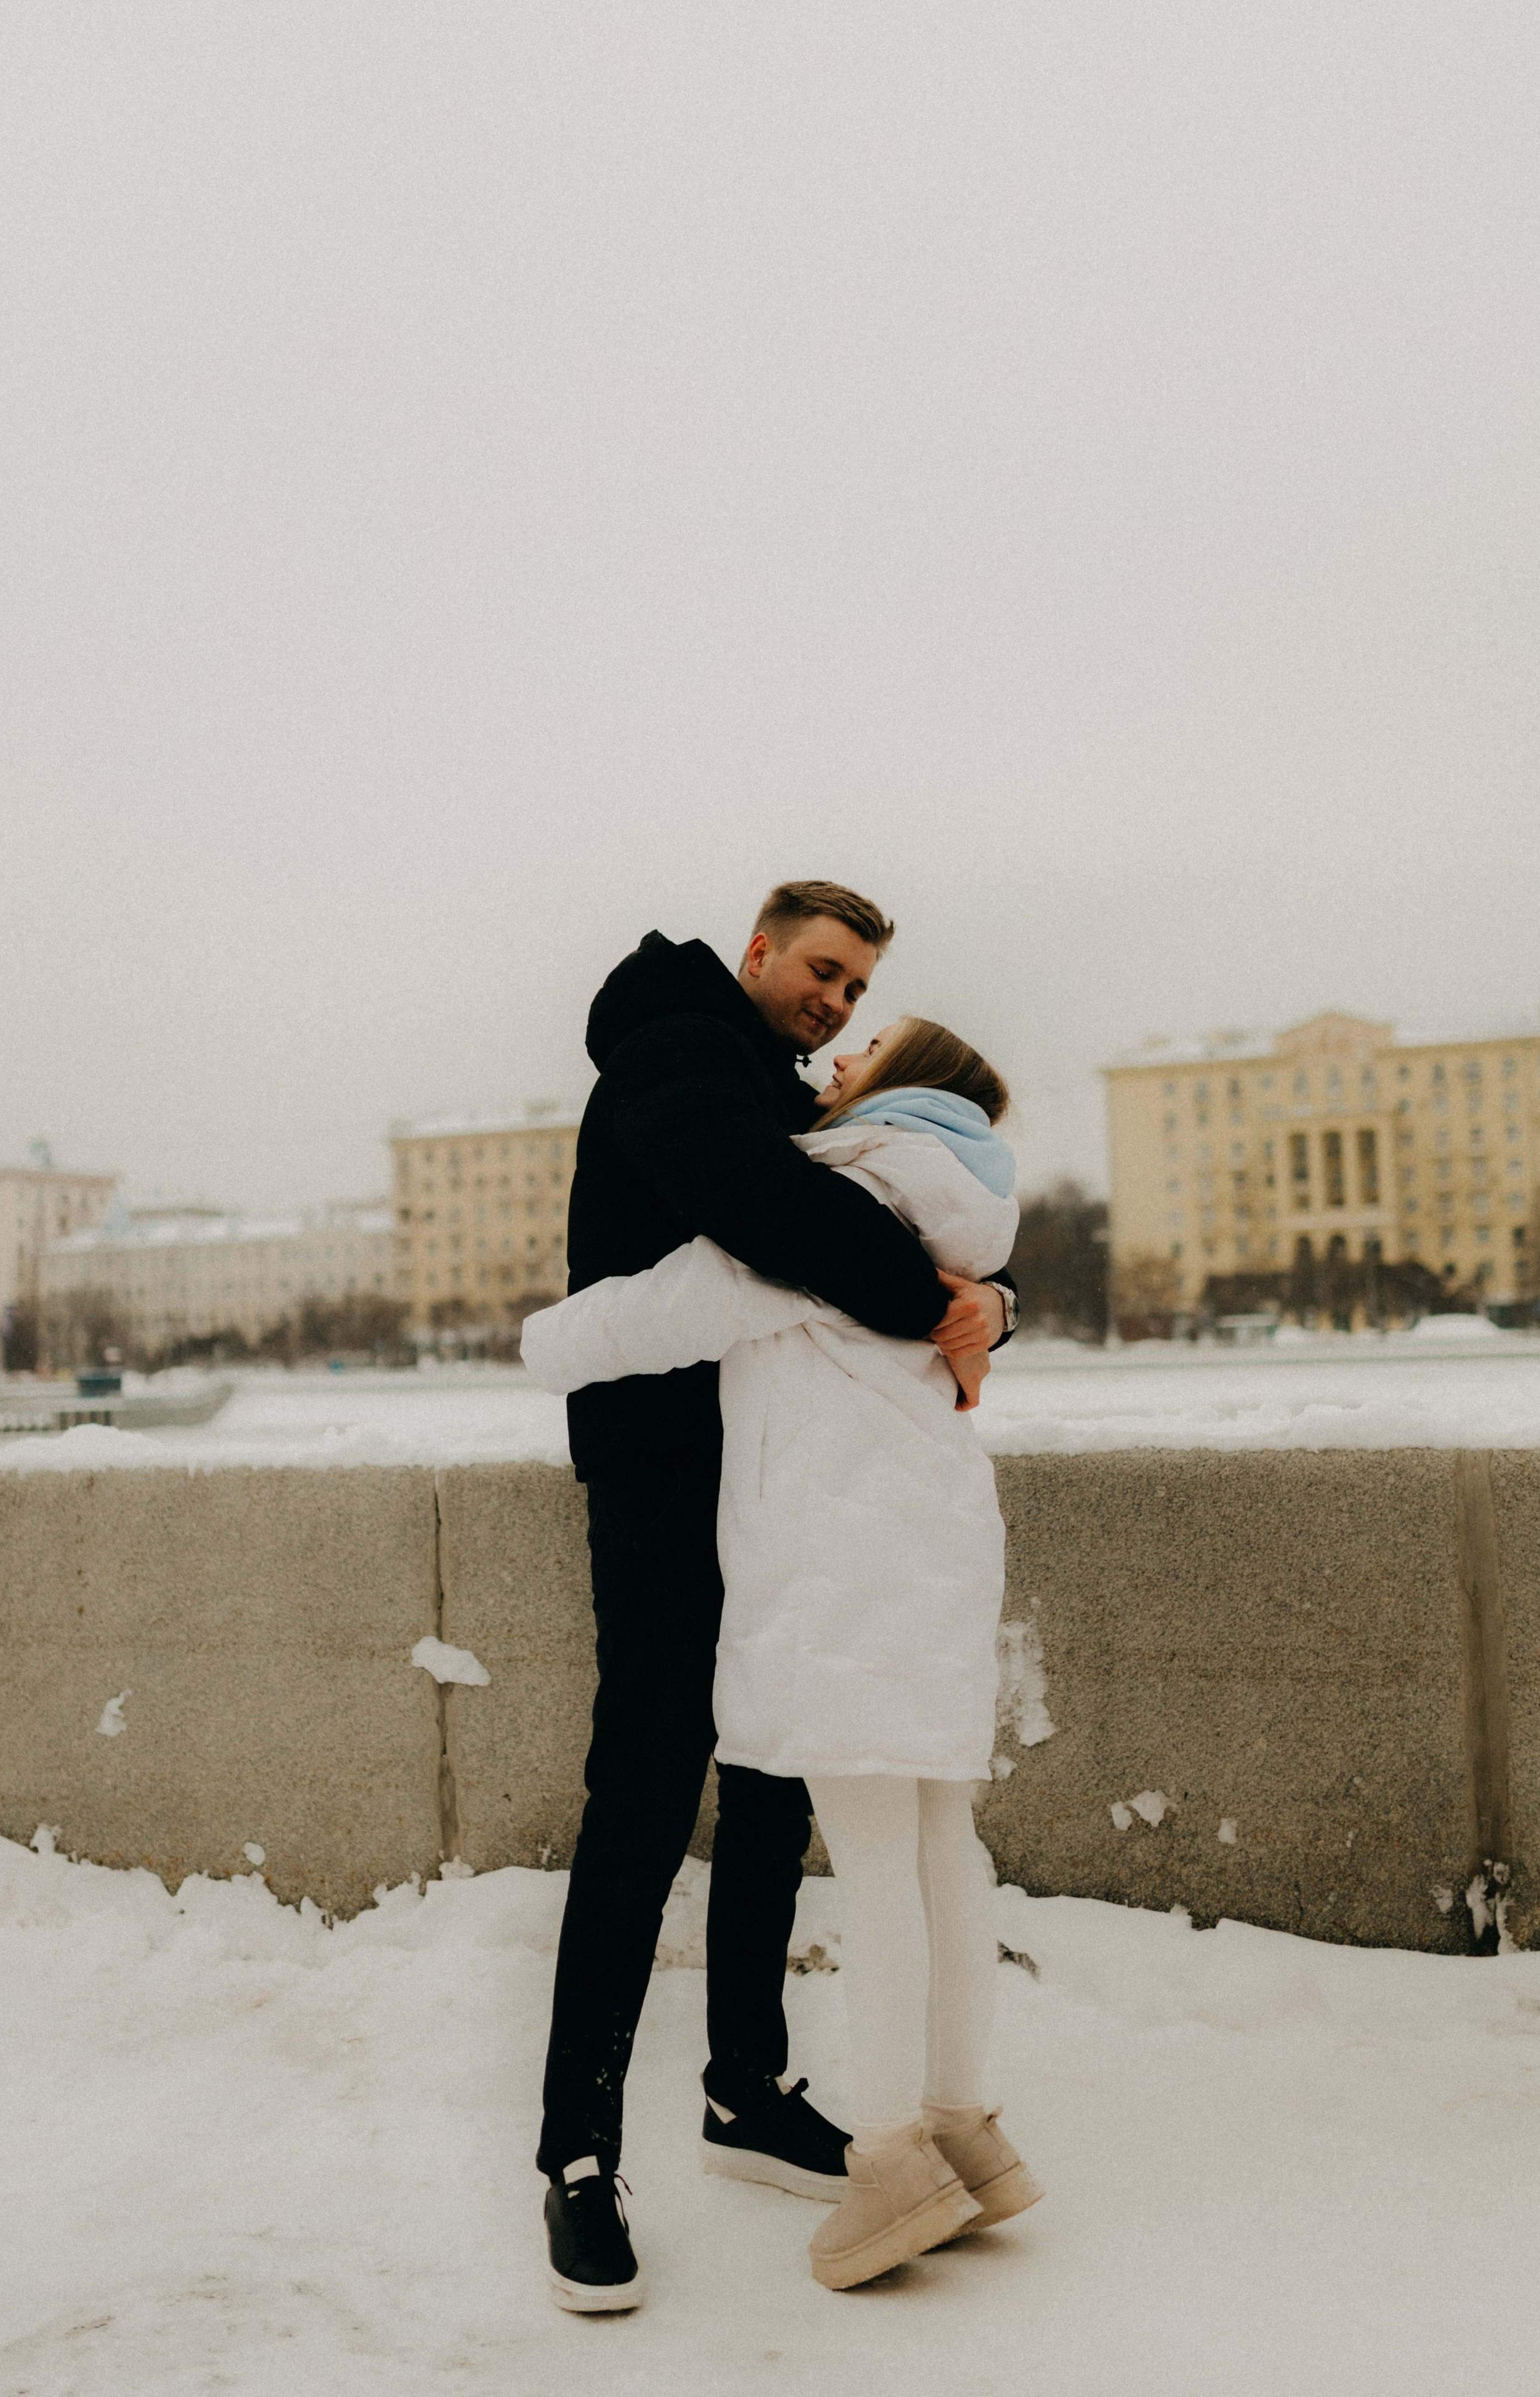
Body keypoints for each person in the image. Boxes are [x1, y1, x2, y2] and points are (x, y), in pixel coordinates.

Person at [530, 883, 1018, 2312]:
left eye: (856, 989)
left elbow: (902, 1191)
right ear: (755, 951)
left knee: (769, 1783)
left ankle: (743, 2087)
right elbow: (773, 1219)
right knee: (641, 1790)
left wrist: (990, 1298)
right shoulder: (675, 1046)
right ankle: (574, 2151)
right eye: (820, 970)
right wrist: (940, 1298)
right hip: (667, 1473)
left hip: (772, 1481)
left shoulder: (790, 1088)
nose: (835, 1003)